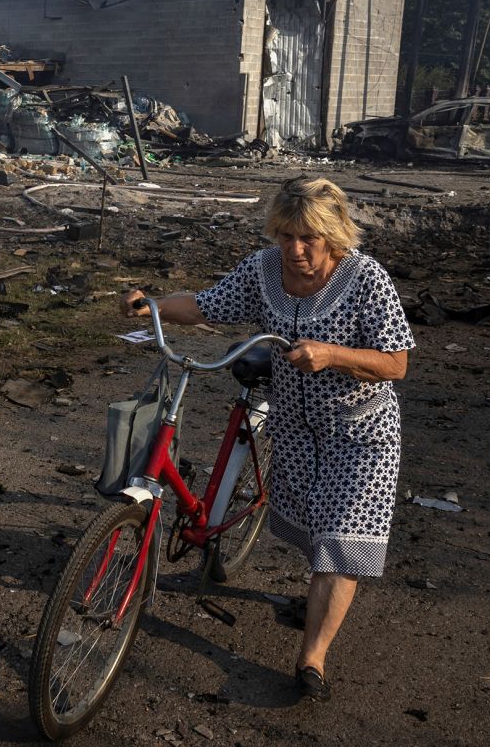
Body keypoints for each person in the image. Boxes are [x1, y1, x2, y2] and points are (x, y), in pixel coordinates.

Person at [122, 177, 414, 703]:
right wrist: (157, 305)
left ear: (334, 237)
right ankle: (316, 599)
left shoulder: (366, 279)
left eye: (309, 239)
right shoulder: (263, 271)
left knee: (342, 543)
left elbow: (396, 363)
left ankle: (312, 657)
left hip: (362, 432)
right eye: (285, 236)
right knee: (308, 525)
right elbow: (209, 305)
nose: (295, 250)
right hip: (296, 426)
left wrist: (334, 354)